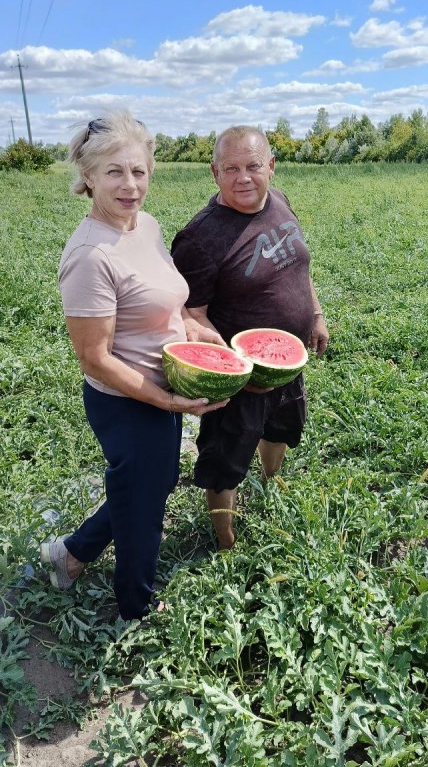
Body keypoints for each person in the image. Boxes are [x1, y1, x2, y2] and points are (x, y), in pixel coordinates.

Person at [41, 110, 228, 621]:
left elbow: (162, 297)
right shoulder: (88, 256)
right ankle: (135, 608)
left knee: (151, 483)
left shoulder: (145, 226)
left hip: (164, 383)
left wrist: (192, 330)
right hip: (125, 400)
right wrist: (165, 399)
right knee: (145, 507)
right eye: (113, 173)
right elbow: (95, 357)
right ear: (88, 178)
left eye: (138, 171)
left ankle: (71, 554)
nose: (129, 185)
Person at [171, 125, 329, 550]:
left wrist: (314, 313)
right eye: (231, 168)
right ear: (214, 173)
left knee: (281, 430)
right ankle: (226, 541)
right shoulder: (199, 238)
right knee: (224, 461)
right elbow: (190, 313)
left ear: (272, 167)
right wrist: (234, 369)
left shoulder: (279, 201)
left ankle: (271, 481)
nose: (244, 177)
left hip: (288, 364)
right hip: (240, 381)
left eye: (254, 166)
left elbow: (299, 266)